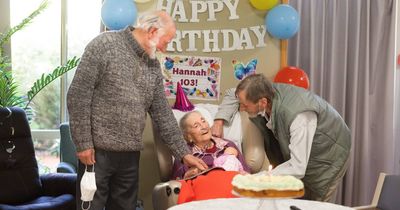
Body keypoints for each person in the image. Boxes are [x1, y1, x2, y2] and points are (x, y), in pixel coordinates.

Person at [67, 11, 207, 210]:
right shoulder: (104, 45)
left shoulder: (153, 66)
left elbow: (162, 113)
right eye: (165, 42)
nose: (165, 49)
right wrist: (83, 143)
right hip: (97, 154)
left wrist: (184, 154)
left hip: (130, 156)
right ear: (151, 32)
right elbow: (78, 95)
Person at [211, 73, 351, 202]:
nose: (241, 108)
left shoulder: (299, 117)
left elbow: (297, 167)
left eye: (245, 105)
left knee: (315, 201)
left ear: (263, 102)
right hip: (302, 154)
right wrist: (219, 121)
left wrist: (256, 179)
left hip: (329, 152)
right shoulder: (259, 91)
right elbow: (231, 93)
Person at [172, 111, 250, 180]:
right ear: (188, 136)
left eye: (203, 121)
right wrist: (186, 176)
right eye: (196, 126)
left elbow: (246, 172)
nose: (204, 126)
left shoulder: (228, 145)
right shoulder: (184, 155)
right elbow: (175, 185)